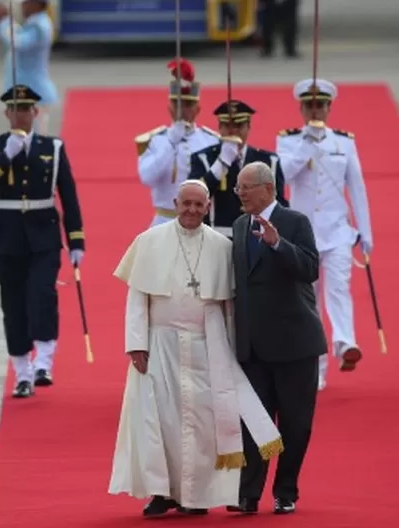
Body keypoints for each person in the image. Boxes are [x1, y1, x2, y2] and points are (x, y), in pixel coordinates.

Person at [109, 179, 283, 517]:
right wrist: (136, 344)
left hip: (207, 347)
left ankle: (196, 496)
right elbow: (137, 298)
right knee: (161, 422)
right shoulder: (149, 241)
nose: (191, 210)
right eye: (185, 204)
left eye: (198, 205)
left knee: (203, 425)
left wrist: (235, 349)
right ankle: (163, 493)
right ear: (175, 203)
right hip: (160, 345)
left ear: (208, 207)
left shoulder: (221, 246)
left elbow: (229, 305)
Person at [0, 84, 86, 397]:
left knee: (42, 295)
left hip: (43, 232)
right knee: (14, 303)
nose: (21, 114)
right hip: (7, 235)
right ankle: (22, 372)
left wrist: (76, 241)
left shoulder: (53, 147)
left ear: (35, 112)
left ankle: (44, 362)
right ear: (7, 113)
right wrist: (6, 155)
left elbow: (68, 195)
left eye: (27, 109)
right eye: (15, 109)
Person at [229, 161, 324, 515]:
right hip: (254, 347)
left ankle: (286, 490)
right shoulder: (239, 226)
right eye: (238, 188)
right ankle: (248, 493)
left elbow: (310, 269)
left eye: (245, 188)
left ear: (267, 188)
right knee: (254, 421)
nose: (239, 194)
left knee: (296, 424)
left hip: (295, 343)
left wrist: (278, 244)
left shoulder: (295, 222)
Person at [275, 78, 373, 390]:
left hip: (338, 231)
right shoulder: (289, 141)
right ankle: (316, 367)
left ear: (330, 107)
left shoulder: (344, 142)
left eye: (321, 105)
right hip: (304, 235)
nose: (315, 110)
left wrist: (366, 233)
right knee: (309, 301)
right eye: (309, 105)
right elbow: (283, 177)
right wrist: (306, 145)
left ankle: (346, 343)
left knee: (339, 289)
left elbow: (356, 187)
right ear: (301, 108)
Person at [136, 58, 220, 228]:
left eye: (189, 104)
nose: (183, 110)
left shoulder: (212, 141)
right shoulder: (156, 140)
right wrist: (171, 143)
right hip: (165, 219)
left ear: (198, 109)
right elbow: (147, 177)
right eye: (178, 103)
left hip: (201, 220)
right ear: (169, 108)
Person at [188, 99, 288, 238]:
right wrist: (222, 163)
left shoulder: (269, 160)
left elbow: (280, 203)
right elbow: (195, 195)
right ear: (219, 127)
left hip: (257, 235)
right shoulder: (204, 158)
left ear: (248, 126)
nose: (233, 131)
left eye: (239, 125)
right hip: (217, 235)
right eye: (227, 125)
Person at [0, 0, 56, 134]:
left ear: (37, 4)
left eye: (25, 3)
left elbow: (18, 42)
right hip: (26, 90)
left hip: (33, 90)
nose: (22, 6)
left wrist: (4, 21)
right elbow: (17, 35)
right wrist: (5, 21)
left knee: (33, 137)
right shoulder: (35, 23)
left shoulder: (39, 26)